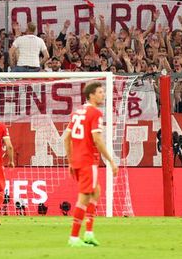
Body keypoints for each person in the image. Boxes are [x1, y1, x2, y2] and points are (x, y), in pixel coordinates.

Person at [62, 80, 117, 248]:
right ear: (91, 95)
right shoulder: (95, 113)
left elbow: (66, 137)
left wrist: (70, 160)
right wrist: (111, 161)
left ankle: (89, 233)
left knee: (96, 192)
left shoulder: (78, 112)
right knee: (84, 198)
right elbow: (97, 140)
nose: (103, 95)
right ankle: (73, 237)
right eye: (100, 92)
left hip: (78, 160)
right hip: (88, 160)